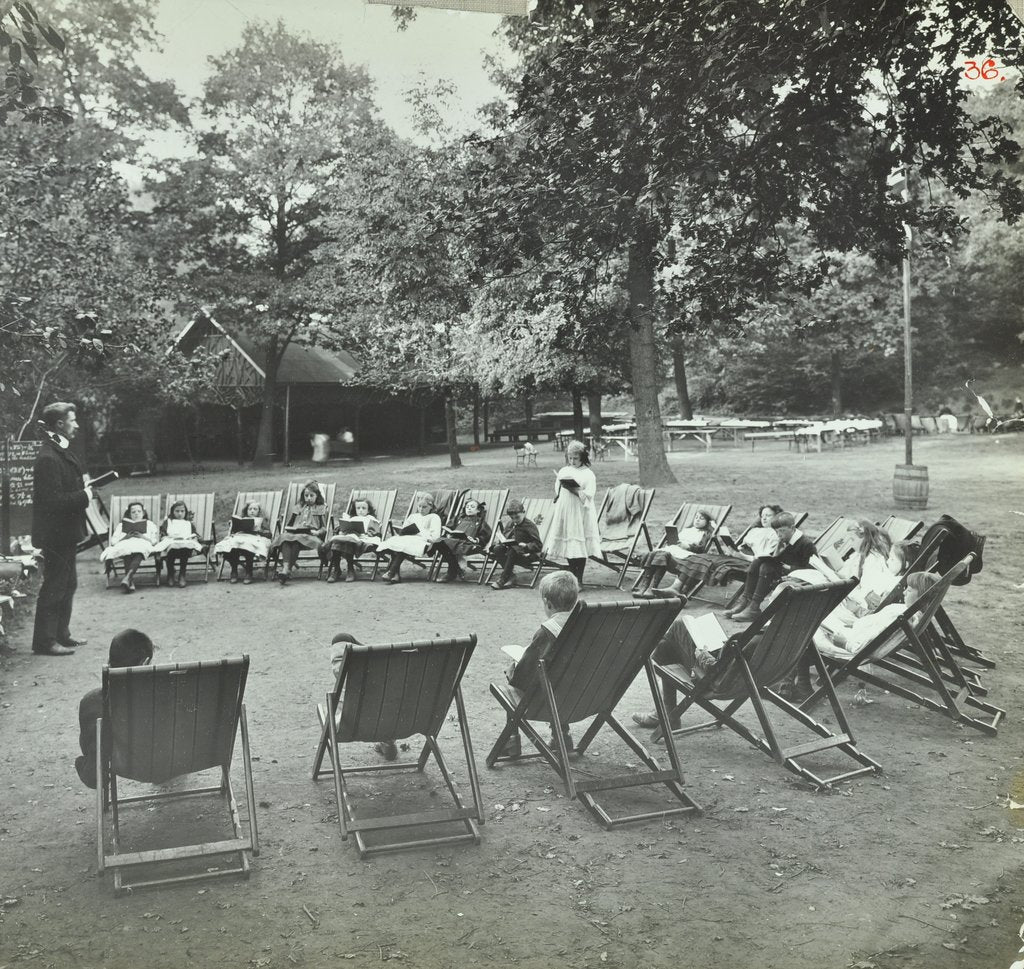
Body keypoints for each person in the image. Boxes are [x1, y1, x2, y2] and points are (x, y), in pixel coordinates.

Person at [31, 402, 91, 656]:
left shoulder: (59, 451)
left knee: (69, 583)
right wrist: (84, 495)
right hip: (56, 534)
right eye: (72, 420)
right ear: (59, 424)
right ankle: (45, 642)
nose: (76, 425)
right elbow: (53, 501)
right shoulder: (48, 458)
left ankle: (61, 634)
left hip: (65, 531)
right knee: (55, 584)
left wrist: (83, 487)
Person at [498, 570, 580, 758]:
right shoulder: (585, 626)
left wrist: (513, 668)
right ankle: (563, 738)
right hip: (582, 695)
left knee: (513, 681)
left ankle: (512, 740)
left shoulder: (547, 631)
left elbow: (525, 675)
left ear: (547, 602)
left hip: (550, 700)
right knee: (558, 677)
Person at [650, 504, 783, 602]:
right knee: (700, 557)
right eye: (762, 516)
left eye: (768, 516)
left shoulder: (776, 534)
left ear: (777, 517)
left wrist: (741, 555)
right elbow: (742, 547)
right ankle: (676, 588)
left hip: (750, 562)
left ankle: (680, 590)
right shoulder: (755, 531)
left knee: (706, 561)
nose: (764, 518)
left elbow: (765, 558)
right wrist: (731, 549)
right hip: (737, 556)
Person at [726, 511, 842, 621]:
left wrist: (790, 568)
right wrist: (776, 550)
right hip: (782, 570)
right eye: (776, 532)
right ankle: (745, 602)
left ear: (792, 528)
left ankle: (754, 607)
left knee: (766, 568)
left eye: (781, 531)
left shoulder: (805, 544)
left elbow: (813, 568)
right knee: (757, 563)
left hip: (798, 575)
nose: (779, 535)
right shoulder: (783, 541)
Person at [75, 628, 154, 788]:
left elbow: (92, 746)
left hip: (129, 766)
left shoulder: (94, 702)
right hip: (173, 762)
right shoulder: (166, 692)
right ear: (144, 663)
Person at [328, 632, 397, 761]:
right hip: (403, 720)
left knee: (340, 639)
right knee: (391, 676)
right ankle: (387, 741)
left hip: (352, 724)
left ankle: (375, 656)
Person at [542, 440, 601, 584]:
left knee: (579, 545)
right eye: (570, 458)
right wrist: (563, 485)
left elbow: (589, 496)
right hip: (566, 511)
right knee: (570, 544)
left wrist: (574, 490)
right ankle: (573, 576)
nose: (572, 461)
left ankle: (578, 579)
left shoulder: (588, 474)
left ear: (582, 457)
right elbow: (558, 489)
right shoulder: (564, 471)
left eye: (576, 458)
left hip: (580, 512)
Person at [632, 509, 717, 598]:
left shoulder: (705, 534)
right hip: (675, 552)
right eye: (696, 517)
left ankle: (651, 589)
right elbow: (674, 541)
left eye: (701, 518)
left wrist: (688, 546)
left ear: (707, 522)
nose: (697, 520)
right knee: (659, 554)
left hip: (686, 558)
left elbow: (701, 549)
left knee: (664, 555)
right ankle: (645, 587)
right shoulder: (687, 530)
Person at [376, 492, 442, 584]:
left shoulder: (434, 517)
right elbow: (404, 530)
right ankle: (395, 575)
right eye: (419, 506)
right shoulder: (413, 516)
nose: (421, 509)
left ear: (431, 506)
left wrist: (419, 533)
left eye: (424, 507)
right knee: (398, 542)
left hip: (424, 542)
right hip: (408, 539)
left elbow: (435, 537)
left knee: (404, 545)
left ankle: (391, 572)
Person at [271, 481, 328, 585]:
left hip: (310, 536)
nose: (309, 498)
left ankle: (286, 569)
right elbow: (289, 524)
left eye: (312, 495)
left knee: (295, 540)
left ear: (317, 496)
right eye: (306, 495)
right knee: (286, 539)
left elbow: (324, 528)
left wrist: (317, 532)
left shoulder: (320, 508)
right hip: (296, 534)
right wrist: (291, 529)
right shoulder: (298, 507)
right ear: (303, 496)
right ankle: (286, 570)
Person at [99, 500, 159, 593]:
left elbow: (154, 541)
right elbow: (114, 541)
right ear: (129, 514)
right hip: (126, 544)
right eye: (133, 512)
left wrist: (142, 537)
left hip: (142, 544)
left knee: (139, 551)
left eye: (139, 511)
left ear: (143, 513)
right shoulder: (122, 525)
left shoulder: (150, 524)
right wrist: (126, 537)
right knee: (126, 550)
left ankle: (128, 577)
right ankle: (128, 580)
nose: (136, 514)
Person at [430, 498, 491, 583]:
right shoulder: (459, 518)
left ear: (478, 510)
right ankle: (456, 569)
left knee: (444, 544)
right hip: (454, 541)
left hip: (468, 543)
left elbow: (485, 535)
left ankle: (452, 572)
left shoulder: (480, 522)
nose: (469, 508)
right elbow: (449, 527)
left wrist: (476, 540)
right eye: (467, 507)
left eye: (472, 507)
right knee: (439, 542)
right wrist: (448, 533)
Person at [323, 497, 381, 583]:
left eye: (363, 508)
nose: (361, 510)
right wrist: (341, 530)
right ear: (355, 509)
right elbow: (341, 528)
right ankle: (337, 569)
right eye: (358, 508)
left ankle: (350, 569)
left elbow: (374, 531)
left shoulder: (371, 519)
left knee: (348, 542)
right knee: (337, 541)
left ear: (368, 510)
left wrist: (365, 534)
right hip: (349, 537)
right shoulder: (351, 518)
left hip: (363, 539)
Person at [489, 499, 543, 590]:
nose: (515, 520)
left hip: (528, 554)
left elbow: (538, 545)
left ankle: (503, 579)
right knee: (497, 549)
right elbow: (505, 536)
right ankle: (511, 576)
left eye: (517, 517)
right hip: (513, 551)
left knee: (513, 550)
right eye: (512, 517)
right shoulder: (511, 523)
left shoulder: (529, 525)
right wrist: (502, 541)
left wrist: (526, 546)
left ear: (523, 512)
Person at [213, 499, 272, 584]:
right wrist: (233, 526)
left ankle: (249, 572)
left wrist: (258, 531)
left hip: (254, 538)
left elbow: (269, 534)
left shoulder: (261, 520)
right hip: (240, 537)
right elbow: (234, 532)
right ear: (246, 510)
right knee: (229, 546)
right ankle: (234, 571)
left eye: (255, 509)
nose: (252, 511)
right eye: (250, 509)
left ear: (259, 511)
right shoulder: (242, 519)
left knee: (248, 546)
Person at [152, 500, 202, 588]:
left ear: (185, 512)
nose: (180, 514)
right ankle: (170, 573)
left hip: (185, 543)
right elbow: (163, 534)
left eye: (182, 511)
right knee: (172, 548)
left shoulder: (188, 523)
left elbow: (195, 534)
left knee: (185, 548)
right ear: (172, 512)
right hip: (172, 542)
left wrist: (194, 537)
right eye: (177, 511)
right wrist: (165, 538)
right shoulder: (168, 521)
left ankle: (182, 574)